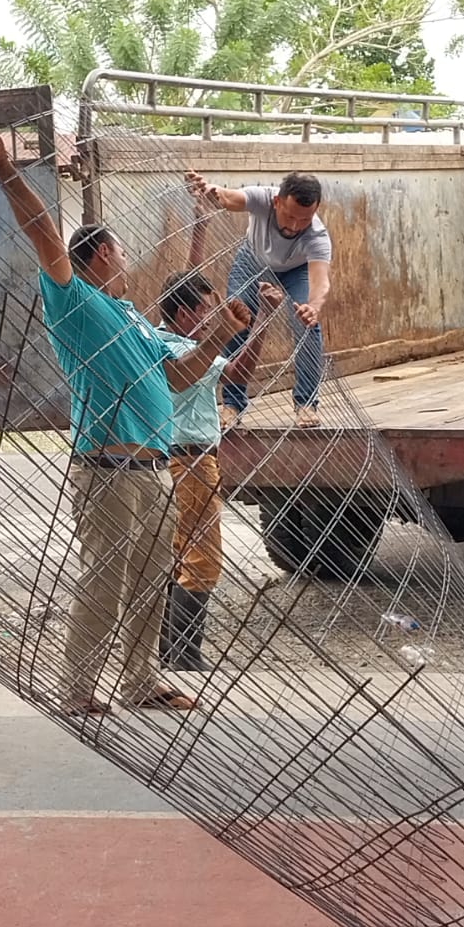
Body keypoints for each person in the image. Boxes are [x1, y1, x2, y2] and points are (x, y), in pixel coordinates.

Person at [0, 128, 247, 717]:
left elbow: (179, 376)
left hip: (154, 468)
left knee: (151, 578)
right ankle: (77, 688)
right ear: (101, 254)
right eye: (121, 252)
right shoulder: (75, 301)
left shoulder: (131, 317)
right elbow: (43, 232)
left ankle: (141, 680)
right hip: (108, 468)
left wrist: (222, 333)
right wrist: (3, 170)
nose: (126, 262)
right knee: (103, 580)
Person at [154, 203, 279, 672]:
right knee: (203, 559)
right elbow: (239, 373)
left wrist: (200, 227)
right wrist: (260, 322)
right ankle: (184, 657)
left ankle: (170, 653)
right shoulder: (181, 348)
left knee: (177, 555)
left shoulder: (164, 337)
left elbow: (190, 279)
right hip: (189, 462)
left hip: (176, 459)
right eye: (205, 310)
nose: (211, 319)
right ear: (185, 312)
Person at [184, 169, 333, 428]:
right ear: (277, 201)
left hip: (295, 270)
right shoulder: (261, 198)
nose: (295, 226)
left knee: (307, 325)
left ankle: (306, 404)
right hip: (251, 261)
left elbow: (320, 281)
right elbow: (226, 197)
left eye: (304, 219)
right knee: (236, 319)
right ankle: (232, 404)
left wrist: (313, 306)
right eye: (290, 216)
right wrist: (207, 191)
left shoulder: (317, 235)